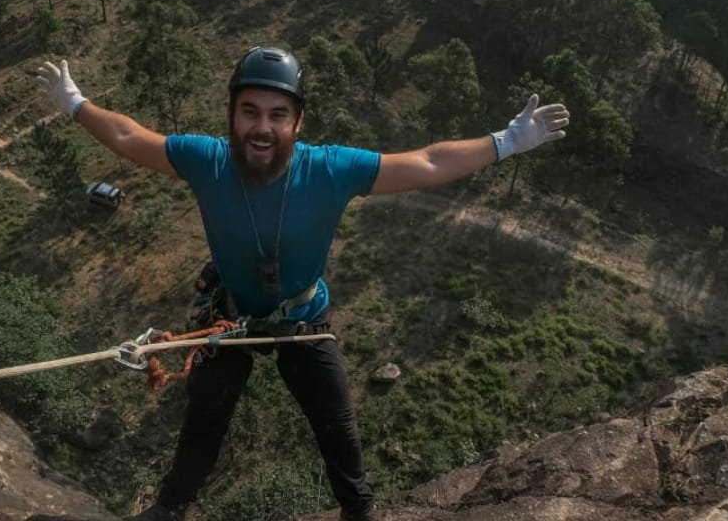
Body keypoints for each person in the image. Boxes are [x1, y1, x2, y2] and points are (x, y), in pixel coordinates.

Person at [36, 46, 569, 521]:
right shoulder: (208, 161)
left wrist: (508, 140)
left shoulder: (329, 170)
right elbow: (131, 137)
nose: (262, 128)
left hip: (301, 316)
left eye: (277, 115)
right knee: (206, 415)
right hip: (235, 310)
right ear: (231, 116)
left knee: (335, 423)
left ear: (297, 122)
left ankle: (359, 511)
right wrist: (75, 103)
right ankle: (172, 506)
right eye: (250, 112)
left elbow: (427, 162)